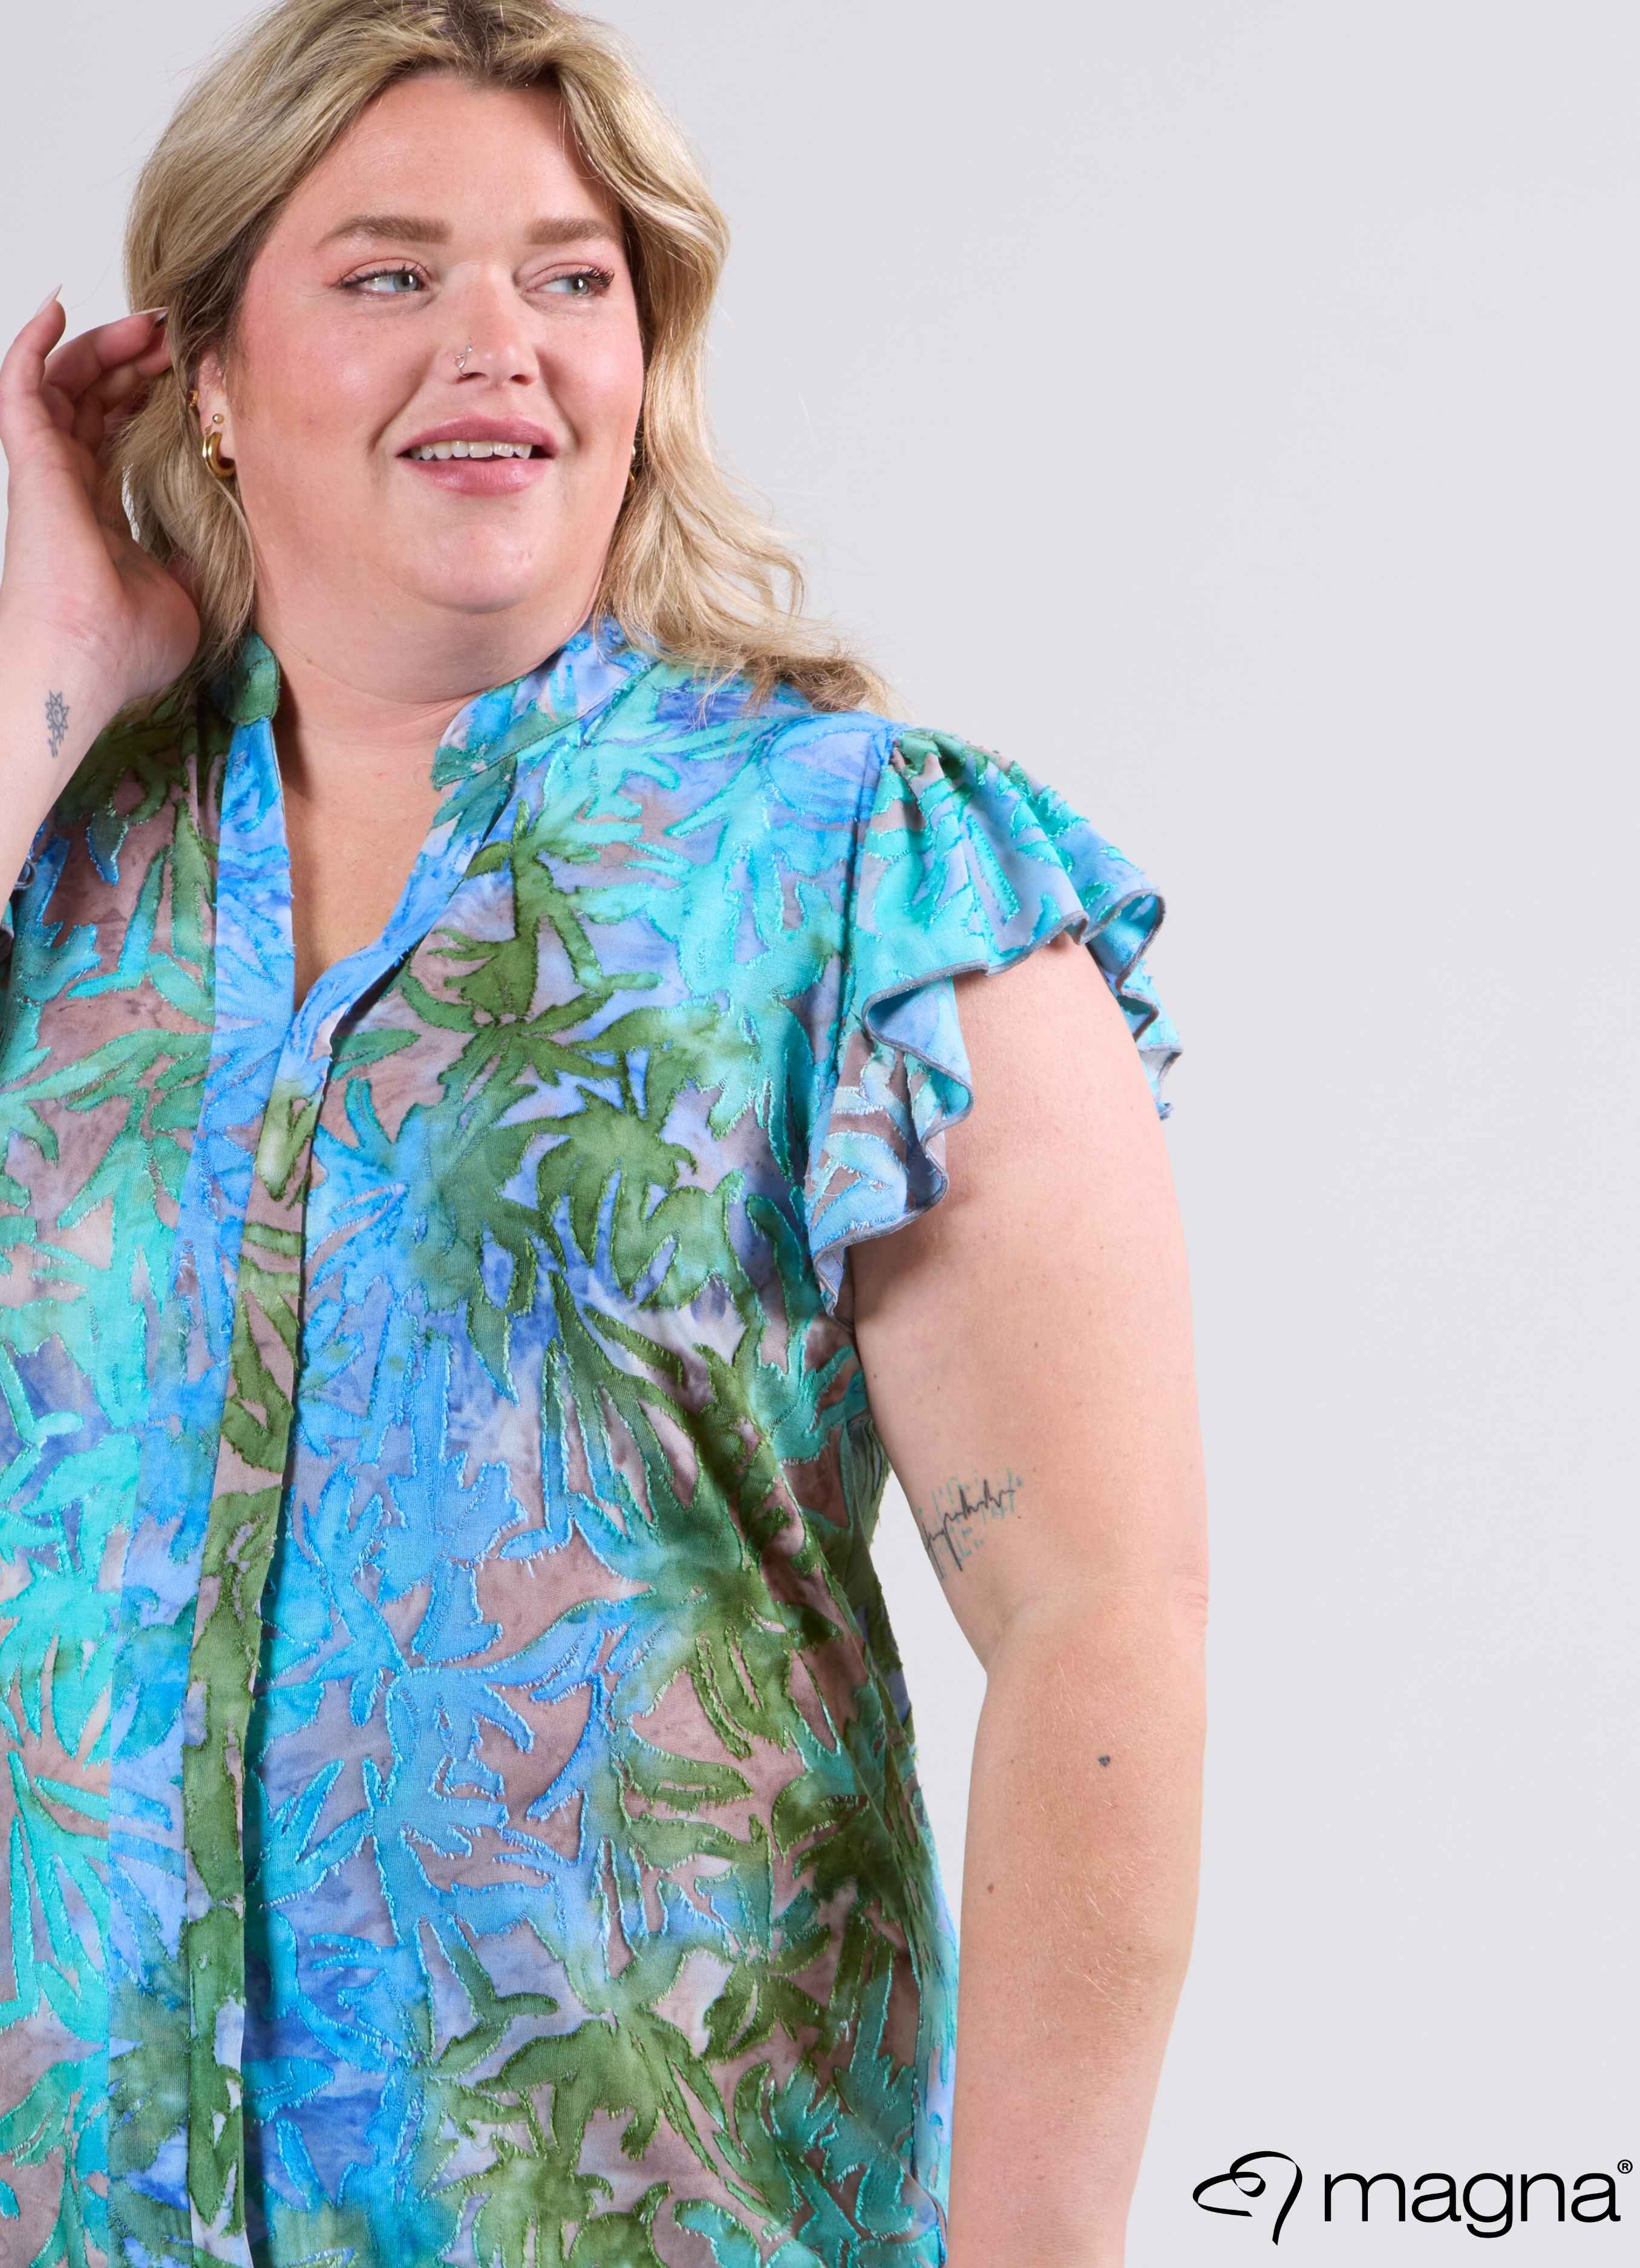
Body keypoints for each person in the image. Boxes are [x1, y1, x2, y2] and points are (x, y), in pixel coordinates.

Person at [0, 3, 1206, 2264]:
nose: (500, 340)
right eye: (391, 273)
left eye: (570, 276)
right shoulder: (55, 873)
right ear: (210, 378)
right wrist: (44, 663)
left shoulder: (862, 881)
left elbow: (1096, 1625)